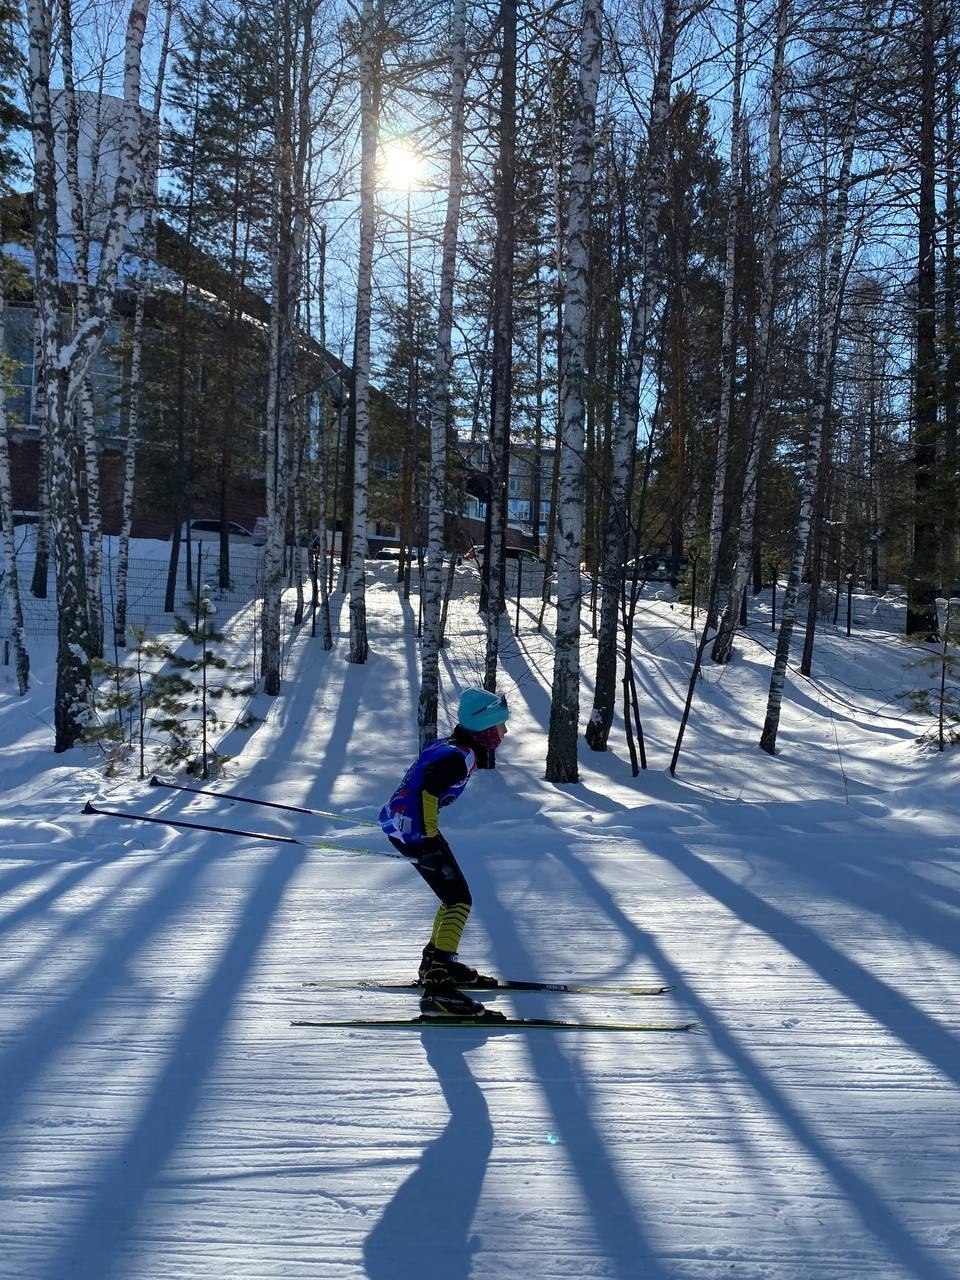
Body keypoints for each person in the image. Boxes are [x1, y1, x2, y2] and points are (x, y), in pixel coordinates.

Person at [379, 688, 510, 1019]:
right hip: (417, 831)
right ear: (485, 728)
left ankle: (437, 966)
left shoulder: (449, 745)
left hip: (405, 825)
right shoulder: (458, 756)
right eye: (500, 726)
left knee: (452, 899)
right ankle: (439, 993)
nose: (505, 733)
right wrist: (429, 840)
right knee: (459, 901)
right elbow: (427, 789)